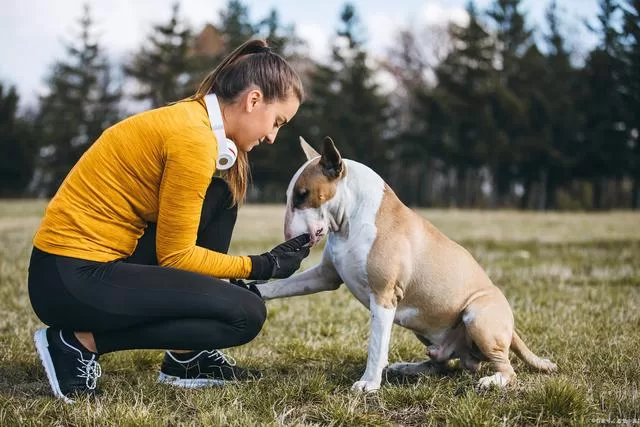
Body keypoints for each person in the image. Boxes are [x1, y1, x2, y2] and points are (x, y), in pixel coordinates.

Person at [28, 38, 311, 402]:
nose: (272, 136)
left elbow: (177, 248)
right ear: (253, 100)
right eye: (277, 122)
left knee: (222, 197)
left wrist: (221, 283)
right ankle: (74, 343)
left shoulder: (192, 121)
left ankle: (186, 356)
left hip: (84, 267)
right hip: (68, 279)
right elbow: (178, 257)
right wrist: (262, 265)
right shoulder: (193, 139)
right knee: (245, 314)